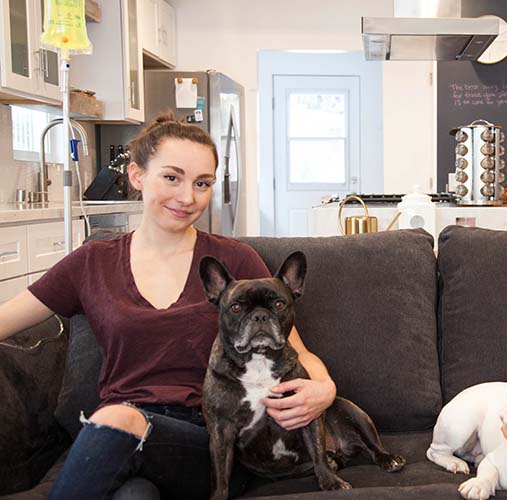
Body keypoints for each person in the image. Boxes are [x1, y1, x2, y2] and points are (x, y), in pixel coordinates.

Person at [0, 114, 337, 499]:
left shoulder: (235, 261)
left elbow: (298, 350)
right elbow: (7, 317)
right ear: (137, 176)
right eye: (172, 178)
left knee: (115, 418)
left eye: (202, 183)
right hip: (120, 436)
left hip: (210, 438)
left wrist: (324, 388)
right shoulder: (92, 262)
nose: (187, 197)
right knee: (134, 496)